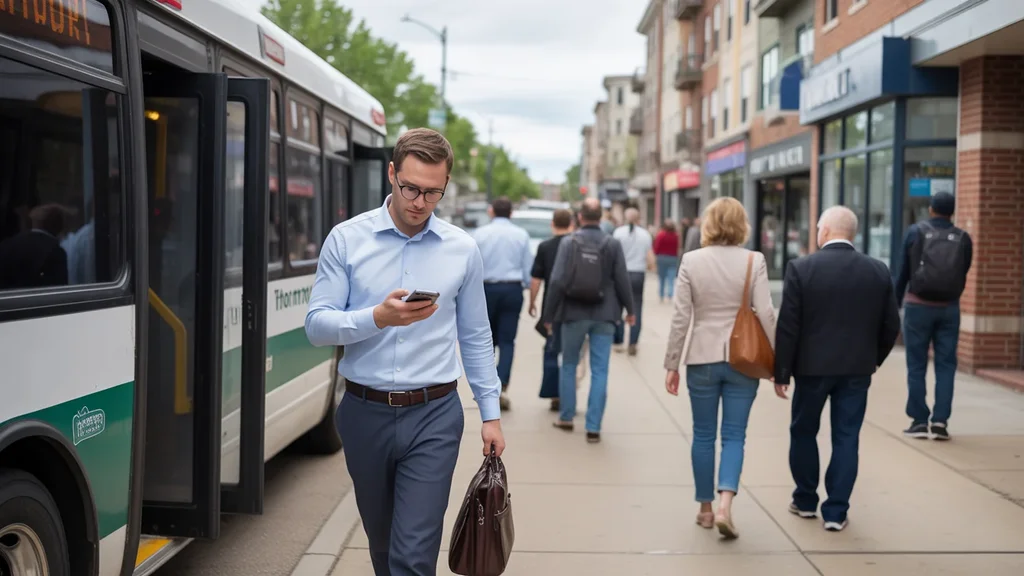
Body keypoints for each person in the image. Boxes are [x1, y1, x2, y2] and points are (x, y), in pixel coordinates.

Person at [304, 128, 505, 576]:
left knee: (413, 556)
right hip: (363, 412)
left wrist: (489, 414)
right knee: (384, 549)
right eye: (410, 187)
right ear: (392, 174)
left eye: (433, 193)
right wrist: (376, 317)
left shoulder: (462, 250)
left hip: (434, 414)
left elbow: (475, 335)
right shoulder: (346, 239)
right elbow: (316, 326)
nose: (419, 201)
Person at [774, 206, 900, 533]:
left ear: (827, 230)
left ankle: (804, 500)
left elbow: (788, 326)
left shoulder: (801, 268)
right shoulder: (877, 270)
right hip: (857, 369)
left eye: (818, 227)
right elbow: (891, 324)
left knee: (803, 431)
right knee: (847, 437)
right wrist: (875, 358)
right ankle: (835, 511)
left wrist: (782, 371)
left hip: (811, 370)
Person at [662, 197, 775, 539]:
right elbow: (767, 313)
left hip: (701, 358)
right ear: (743, 225)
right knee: (734, 435)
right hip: (745, 359)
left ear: (709, 224)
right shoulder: (754, 260)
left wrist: (672, 363)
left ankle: (706, 509)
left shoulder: (691, 261)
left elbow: (682, 316)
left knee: (703, 434)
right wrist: (779, 362)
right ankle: (727, 502)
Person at [544, 197, 635, 443]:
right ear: (601, 219)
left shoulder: (568, 243)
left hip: (573, 313)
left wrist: (548, 315)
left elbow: (557, 281)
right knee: (600, 370)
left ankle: (566, 417)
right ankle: (593, 426)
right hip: (605, 314)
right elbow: (622, 279)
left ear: (580, 218)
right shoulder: (612, 244)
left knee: (569, 363)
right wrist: (630, 309)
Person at [894, 191, 972, 441]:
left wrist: (894, 305)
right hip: (949, 308)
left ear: (930, 209)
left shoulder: (916, 232)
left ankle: (918, 421)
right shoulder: (963, 238)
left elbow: (903, 272)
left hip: (918, 307)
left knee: (916, 364)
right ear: (952, 212)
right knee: (946, 365)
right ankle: (940, 421)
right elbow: (964, 270)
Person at [472, 196, 533, 411]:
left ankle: (487, 387)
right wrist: (525, 285)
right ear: (511, 213)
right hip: (512, 289)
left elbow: (473, 265)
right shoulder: (521, 235)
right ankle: (502, 385)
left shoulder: (480, 234)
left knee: (485, 340)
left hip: (486, 290)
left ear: (491, 212)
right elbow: (528, 268)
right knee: (508, 341)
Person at [529, 208, 575, 411]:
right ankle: (568, 392)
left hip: (552, 305)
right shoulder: (576, 245)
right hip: (575, 305)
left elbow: (536, 279)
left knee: (551, 349)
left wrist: (532, 302)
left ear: (552, 224)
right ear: (571, 224)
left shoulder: (545, 247)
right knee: (570, 353)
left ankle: (553, 392)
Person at [612, 208, 654, 355]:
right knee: (636, 308)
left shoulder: (618, 233)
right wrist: (650, 267)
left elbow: (613, 255)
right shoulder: (645, 235)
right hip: (638, 274)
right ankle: (633, 342)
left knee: (618, 307)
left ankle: (618, 339)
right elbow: (650, 257)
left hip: (621, 273)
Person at [653, 220, 680, 303]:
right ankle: (670, 295)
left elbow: (657, 246)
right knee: (671, 279)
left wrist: (656, 255)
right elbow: (677, 247)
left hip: (662, 258)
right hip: (672, 258)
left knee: (662, 278)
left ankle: (661, 295)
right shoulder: (676, 235)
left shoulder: (661, 235)